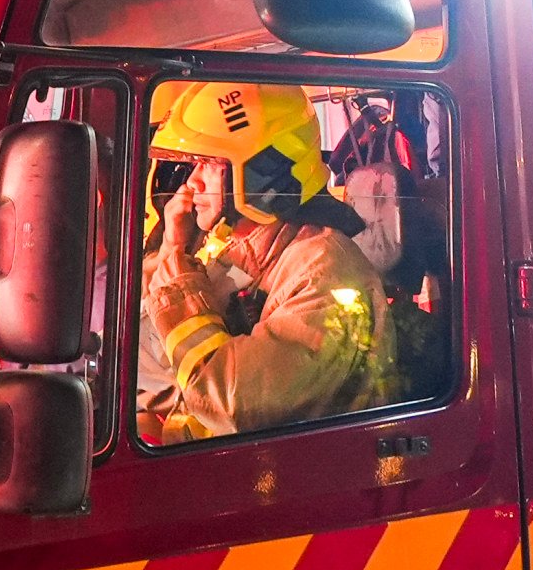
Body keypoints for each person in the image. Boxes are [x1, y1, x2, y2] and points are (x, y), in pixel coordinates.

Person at [140, 81, 394, 442]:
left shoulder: (326, 273)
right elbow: (144, 360)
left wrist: (178, 286)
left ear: (262, 170)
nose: (192, 182)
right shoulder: (239, 253)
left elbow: (237, 403)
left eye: (208, 164)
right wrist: (172, 251)